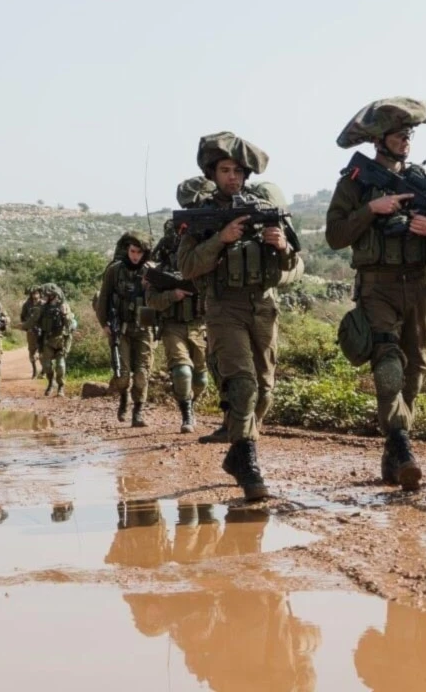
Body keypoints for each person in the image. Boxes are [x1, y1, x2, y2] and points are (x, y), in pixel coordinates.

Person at [325, 98, 426, 491]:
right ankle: (402, 446)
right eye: (400, 134)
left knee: (414, 371)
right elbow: (336, 236)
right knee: (388, 367)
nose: (407, 140)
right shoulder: (354, 182)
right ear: (378, 139)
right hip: (377, 286)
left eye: (410, 133)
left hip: (418, 285)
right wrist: (372, 208)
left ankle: (393, 447)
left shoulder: (425, 183)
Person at [178, 132, 304, 501]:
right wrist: (221, 239)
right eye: (224, 170)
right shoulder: (201, 216)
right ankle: (249, 462)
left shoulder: (266, 209)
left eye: (238, 170)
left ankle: (236, 452)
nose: (232, 177)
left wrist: (281, 248)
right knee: (243, 385)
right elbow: (186, 267)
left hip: (263, 307)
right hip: (224, 308)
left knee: (264, 391)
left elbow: (295, 267)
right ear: (212, 172)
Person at [147, 177, 216, 434]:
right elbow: (151, 299)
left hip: (199, 324)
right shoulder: (160, 270)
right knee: (183, 373)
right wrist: (171, 295)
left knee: (201, 378)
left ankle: (191, 404)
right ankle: (186, 414)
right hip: (172, 325)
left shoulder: (208, 252)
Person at [95, 232, 156, 427]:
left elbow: (161, 300)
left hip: (144, 328)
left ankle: (138, 412)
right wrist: (104, 324)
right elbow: (103, 298)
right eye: (132, 251)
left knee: (142, 373)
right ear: (126, 250)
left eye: (139, 252)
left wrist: (150, 287)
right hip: (120, 329)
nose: (135, 256)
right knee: (122, 374)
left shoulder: (151, 271)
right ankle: (123, 398)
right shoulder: (115, 271)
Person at [35, 283, 77, 397]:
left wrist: (65, 314)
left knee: (60, 366)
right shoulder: (43, 308)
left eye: (47, 295)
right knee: (47, 366)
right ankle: (50, 383)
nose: (44, 296)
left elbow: (71, 324)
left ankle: (61, 387)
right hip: (48, 340)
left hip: (61, 341)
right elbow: (37, 324)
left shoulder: (65, 306)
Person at [20, 287, 45, 379]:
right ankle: (34, 370)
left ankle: (43, 371)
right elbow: (22, 317)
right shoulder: (27, 304)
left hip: (42, 331)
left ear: (39, 294)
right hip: (31, 331)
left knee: (43, 351)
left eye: (36, 293)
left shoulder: (43, 304)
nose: (35, 295)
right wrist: (26, 326)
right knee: (31, 351)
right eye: (33, 294)